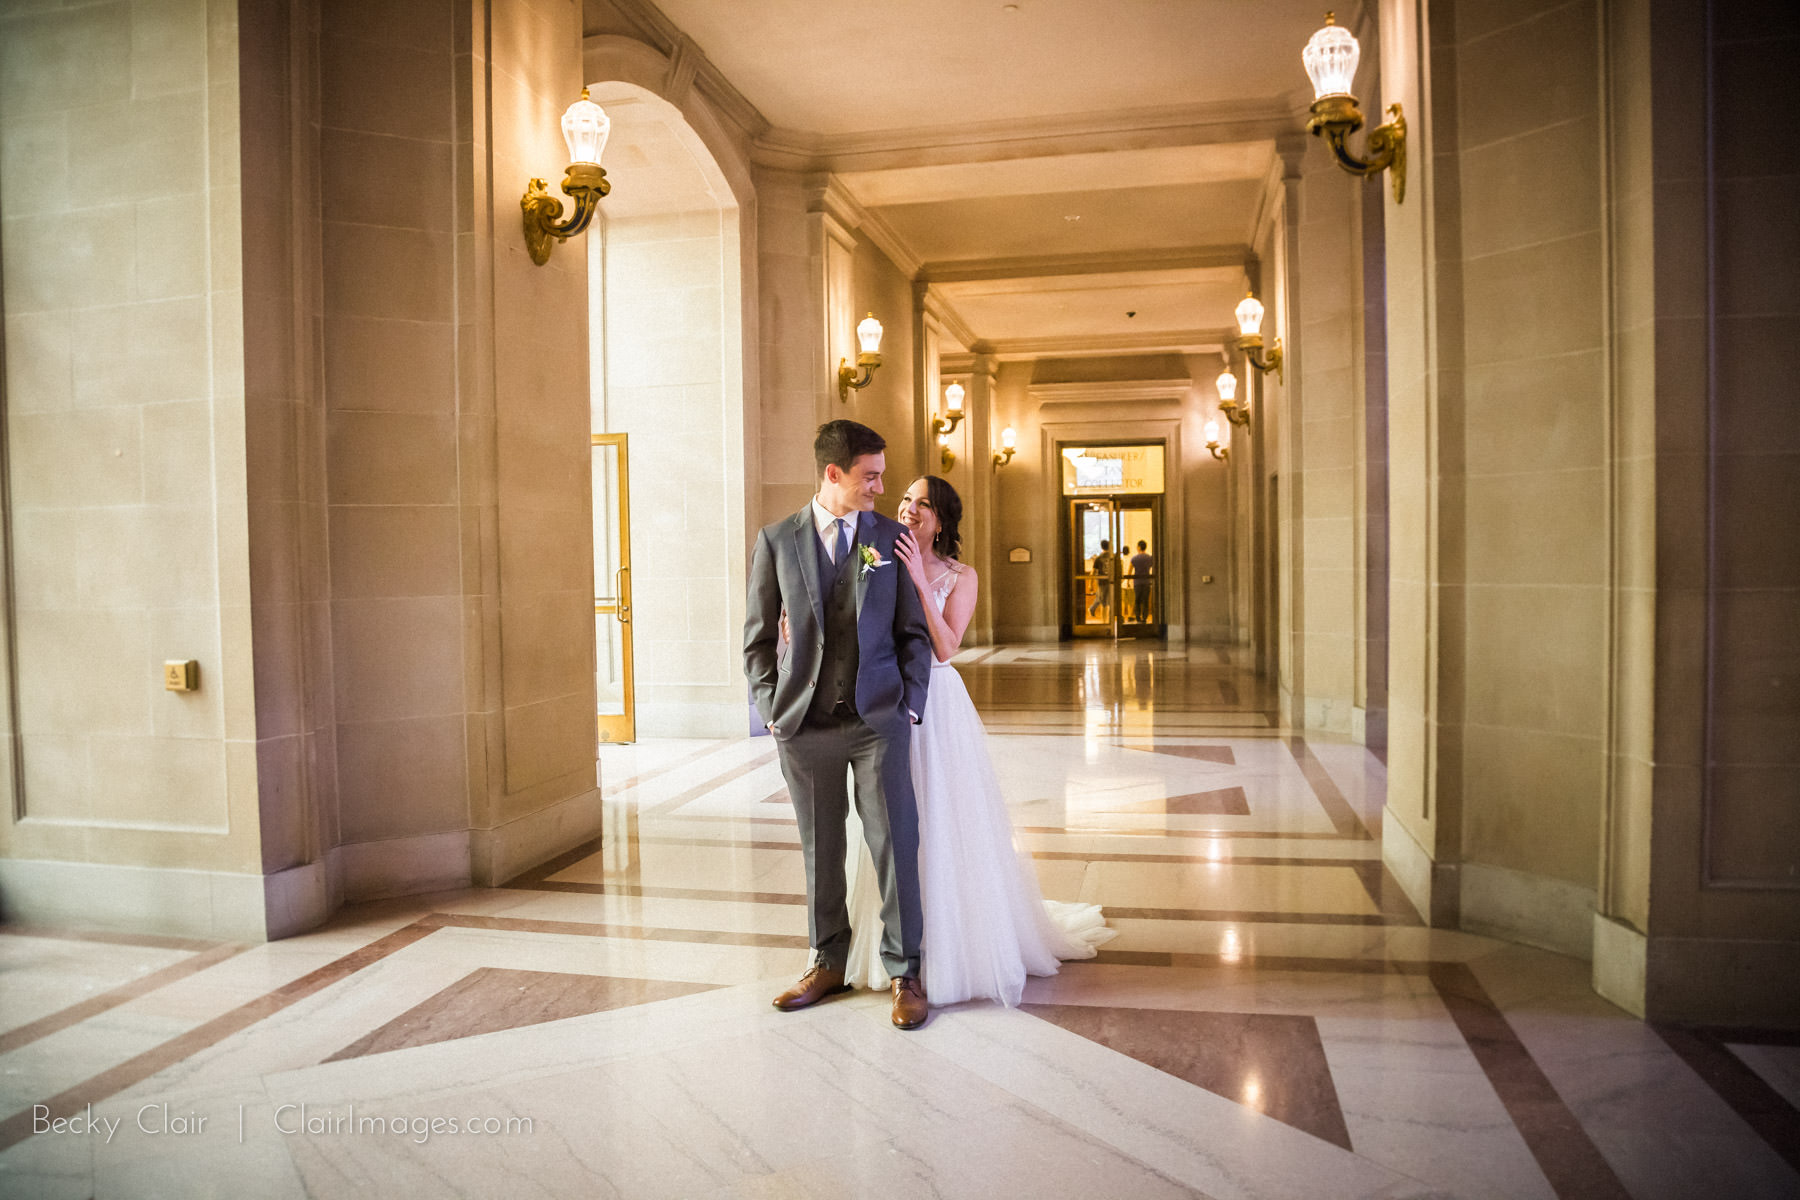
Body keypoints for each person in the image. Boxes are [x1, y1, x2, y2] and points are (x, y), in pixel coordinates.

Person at [840, 475, 1115, 1008]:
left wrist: (920, 580)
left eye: (924, 504)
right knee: (888, 818)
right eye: (906, 500)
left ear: (942, 520)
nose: (910, 509)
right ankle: (890, 946)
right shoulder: (876, 558)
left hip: (937, 706)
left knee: (942, 816)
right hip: (887, 700)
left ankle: (953, 946)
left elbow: (945, 649)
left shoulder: (960, 575)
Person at [743, 420, 935, 1030]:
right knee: (820, 848)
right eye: (870, 476)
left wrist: (910, 702)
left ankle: (907, 971)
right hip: (805, 724)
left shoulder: (889, 537)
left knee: (895, 845)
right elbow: (755, 640)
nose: (883, 487)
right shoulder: (776, 541)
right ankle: (826, 963)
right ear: (834, 474)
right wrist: (771, 707)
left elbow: (913, 633)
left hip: (880, 718)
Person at [1088, 539, 1114, 619]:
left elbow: (1093, 572)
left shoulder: (1098, 558)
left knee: (1103, 602)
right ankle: (1109, 621)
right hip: (1111, 582)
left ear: (1101, 547)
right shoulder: (1113, 557)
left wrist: (1090, 584)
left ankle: (1104, 621)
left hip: (1101, 582)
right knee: (1109, 602)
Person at [1129, 540, 1154, 623]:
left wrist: (1128, 580)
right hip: (1147, 582)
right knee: (1145, 601)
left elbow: (1130, 570)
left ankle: (1138, 617)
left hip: (1137, 582)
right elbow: (1152, 567)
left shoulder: (1134, 558)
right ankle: (1144, 617)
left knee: (1137, 600)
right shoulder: (1149, 558)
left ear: (1139, 547)